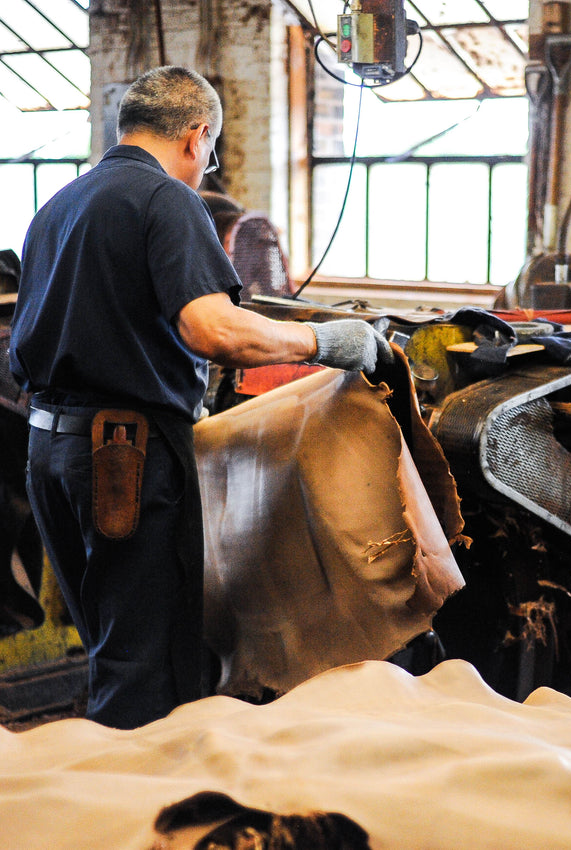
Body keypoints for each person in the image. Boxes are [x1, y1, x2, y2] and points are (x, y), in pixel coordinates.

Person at [7, 66, 391, 729]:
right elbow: (211, 328)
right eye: (208, 152)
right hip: (120, 457)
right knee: (148, 666)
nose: (205, 165)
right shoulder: (167, 201)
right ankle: (139, 818)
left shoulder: (59, 205)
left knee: (110, 645)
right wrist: (327, 343)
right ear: (195, 135)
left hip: (49, 449)